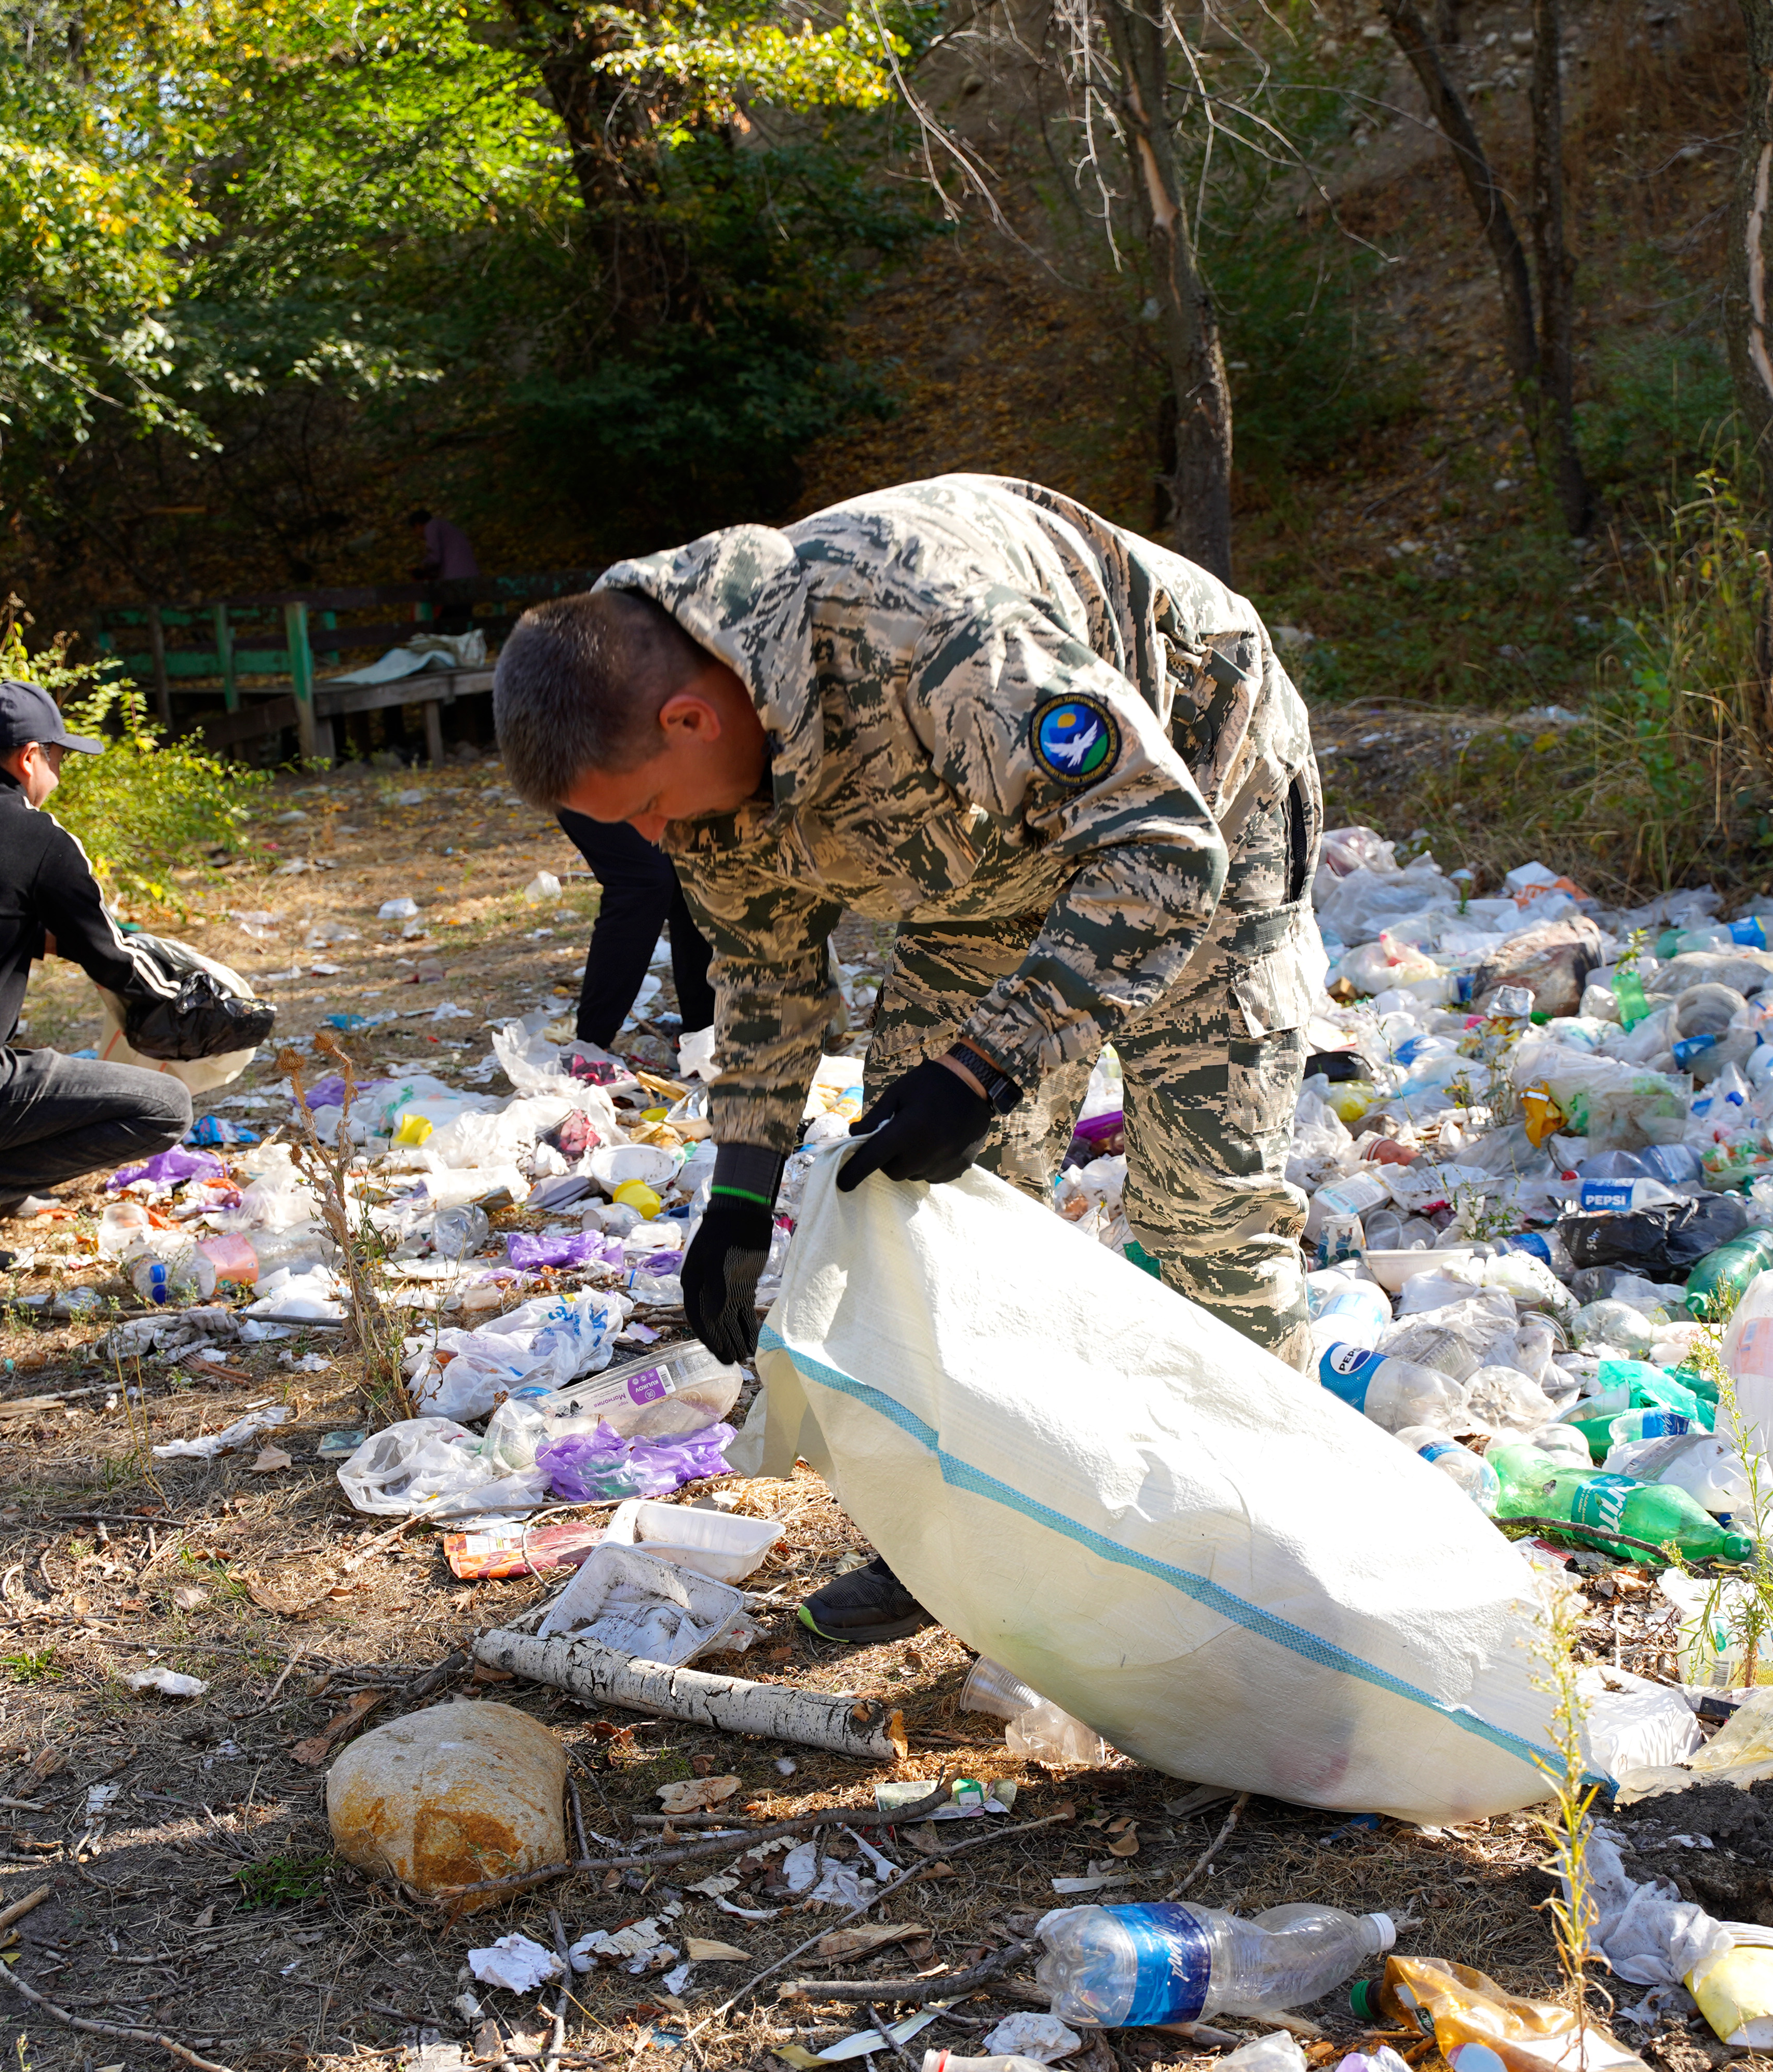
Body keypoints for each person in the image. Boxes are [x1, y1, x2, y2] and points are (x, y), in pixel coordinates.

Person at [493, 473, 1322, 1643]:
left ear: (691, 719)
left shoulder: (927, 629)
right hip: (979, 855)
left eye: (641, 806)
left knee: (1205, 1210)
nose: (648, 839)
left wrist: (986, 1065)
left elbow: (1157, 841)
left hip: (1192, 797)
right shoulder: (702, 777)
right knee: (927, 1211)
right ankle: (968, 1542)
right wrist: (739, 1190)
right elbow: (766, 974)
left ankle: (1274, 1557)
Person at [0, 680, 196, 1271]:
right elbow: (118, 962)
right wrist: (194, 1011)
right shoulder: (37, 839)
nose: (59, 775)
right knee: (166, 1107)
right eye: (59, 759)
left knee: (31, 1061)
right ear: (30, 757)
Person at [556, 809, 716, 1053]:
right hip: (593, 773)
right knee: (643, 881)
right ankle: (591, 1047)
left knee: (691, 878)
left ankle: (702, 1036)